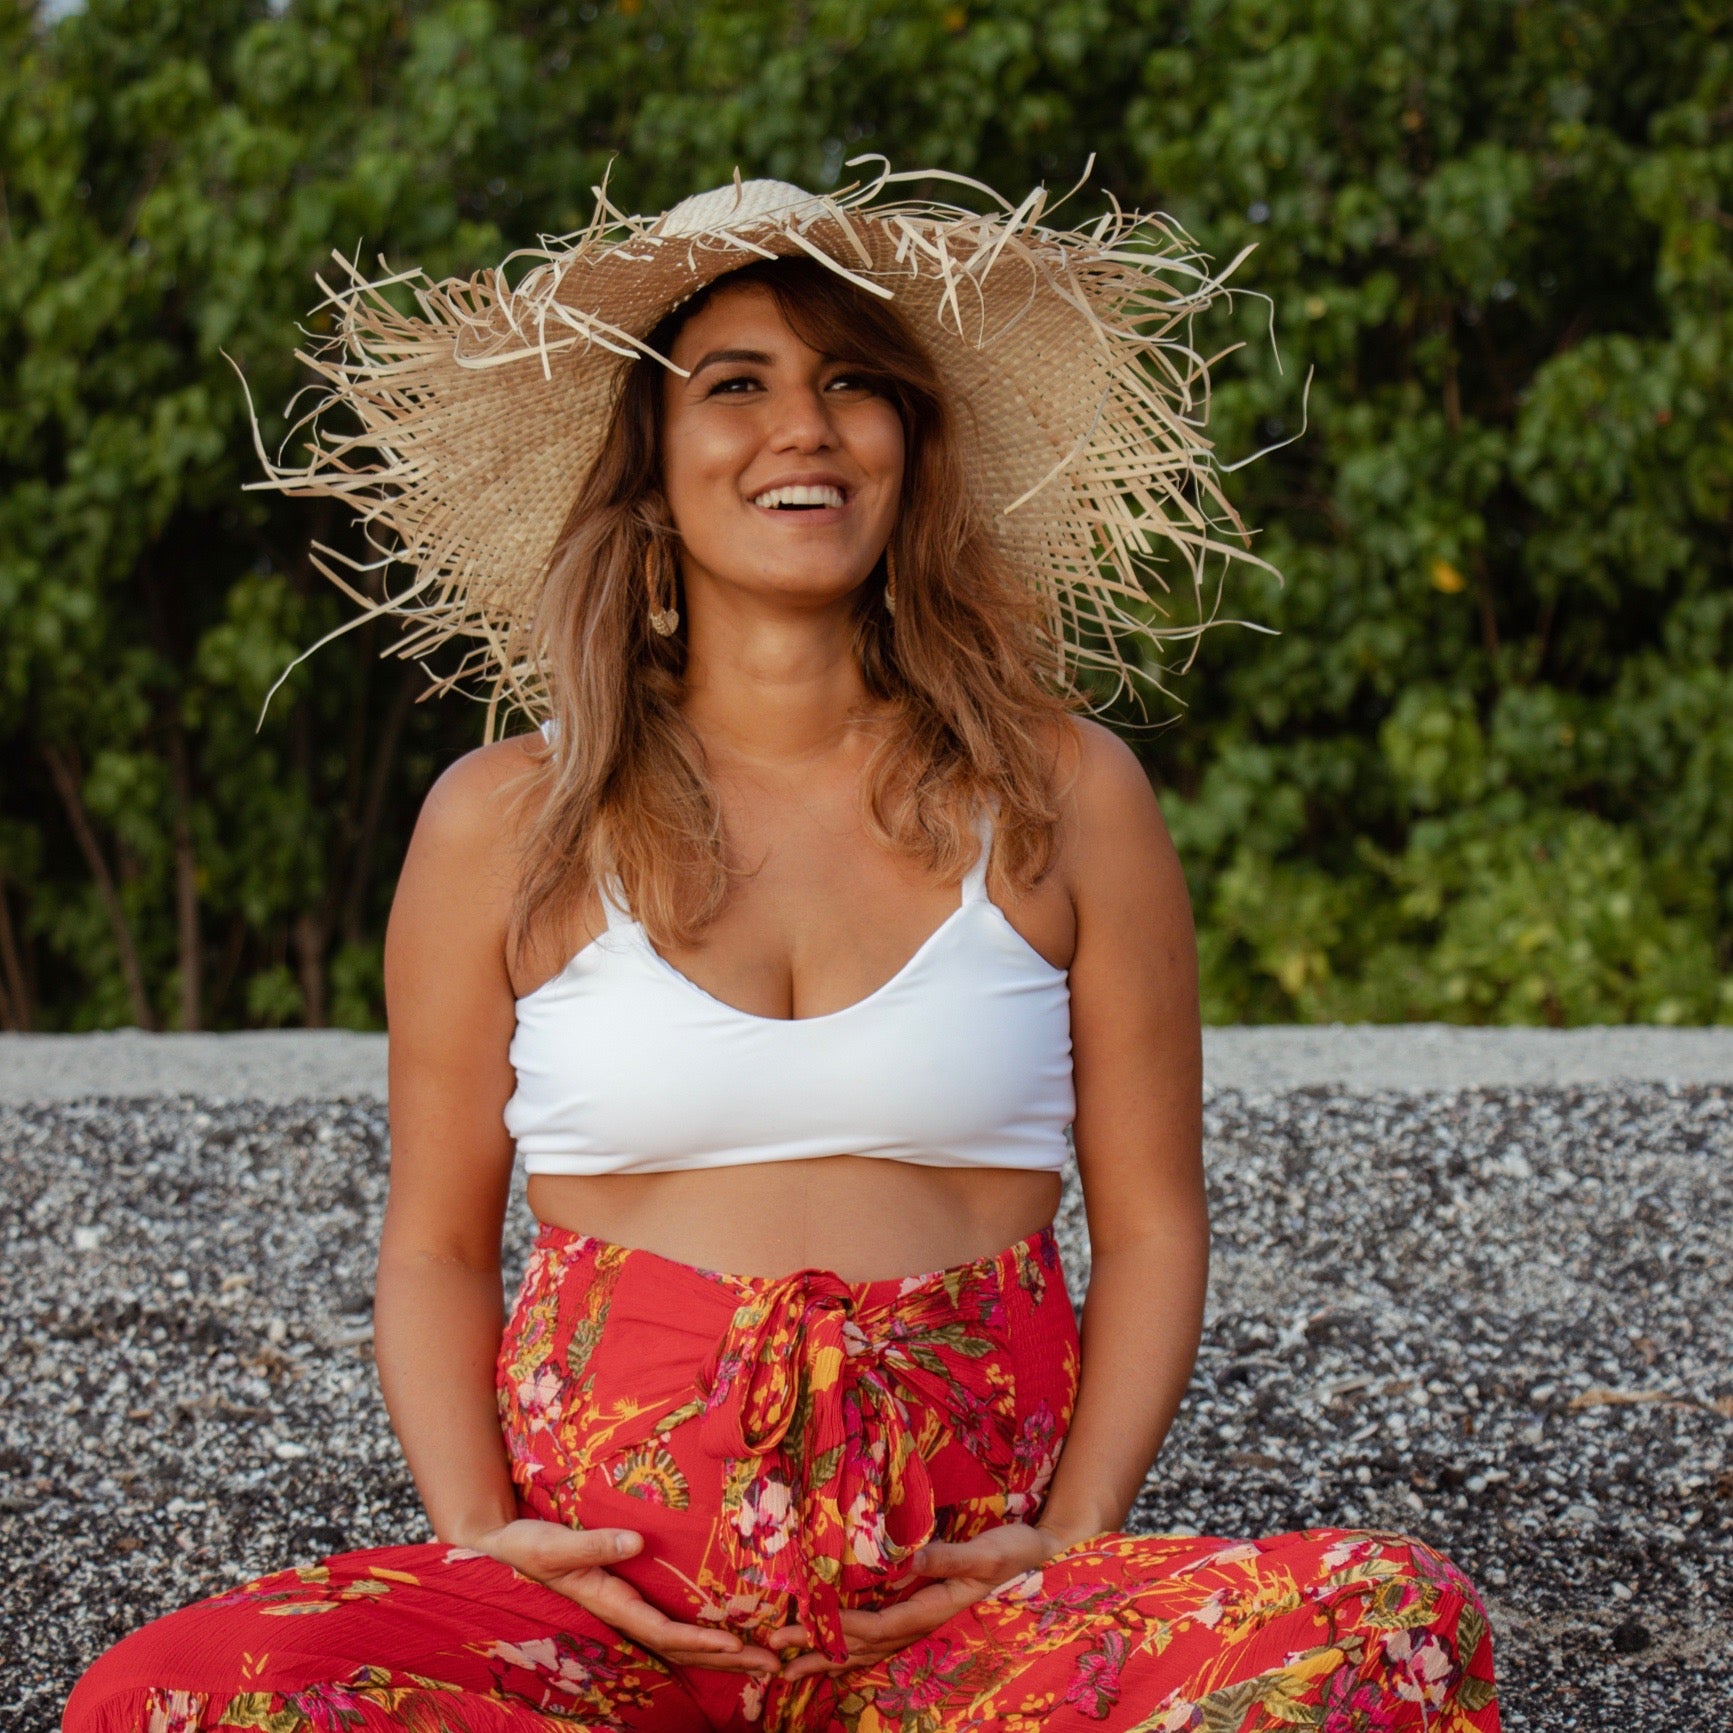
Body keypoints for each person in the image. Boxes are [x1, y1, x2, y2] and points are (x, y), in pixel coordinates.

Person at [66, 170, 1499, 1732]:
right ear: (651, 465)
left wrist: (1077, 1532)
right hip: (611, 1638)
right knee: (181, 1693)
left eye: (851, 385)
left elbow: (1152, 1221)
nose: (802, 427)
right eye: (735, 384)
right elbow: (430, 1244)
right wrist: (482, 1535)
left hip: (972, 1639)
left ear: (910, 449)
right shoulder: (505, 819)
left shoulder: (1064, 792)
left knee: (1383, 1623)